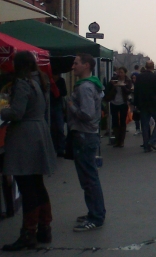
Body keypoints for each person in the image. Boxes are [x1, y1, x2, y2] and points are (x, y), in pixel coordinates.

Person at [0, 51, 57, 250]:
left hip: (25, 137)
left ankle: (28, 233)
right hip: (39, 132)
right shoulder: (40, 81)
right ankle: (44, 228)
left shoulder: (23, 83)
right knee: (37, 183)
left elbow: (17, 112)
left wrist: (2, 111)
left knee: (27, 185)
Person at [68, 53, 106, 232]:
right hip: (89, 135)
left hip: (84, 135)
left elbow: (87, 114)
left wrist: (71, 106)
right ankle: (95, 212)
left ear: (86, 66)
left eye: (76, 63)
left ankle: (96, 217)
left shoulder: (84, 88)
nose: (73, 66)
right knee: (90, 178)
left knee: (89, 179)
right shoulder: (93, 85)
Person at [133, 60, 156, 152]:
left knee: (145, 125)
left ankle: (146, 146)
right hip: (153, 103)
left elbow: (136, 91)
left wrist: (136, 104)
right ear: (153, 67)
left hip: (142, 104)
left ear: (145, 67)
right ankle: (152, 140)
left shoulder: (139, 77)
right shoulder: (155, 77)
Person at [104, 67, 132, 148]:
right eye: (119, 72)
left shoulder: (128, 80)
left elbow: (128, 91)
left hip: (123, 103)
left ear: (125, 73)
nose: (119, 74)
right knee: (115, 121)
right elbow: (107, 89)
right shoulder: (114, 79)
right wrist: (113, 85)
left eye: (121, 72)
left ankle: (122, 140)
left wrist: (122, 86)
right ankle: (117, 140)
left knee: (122, 121)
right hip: (114, 102)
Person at [49, 72, 68, 157]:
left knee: (60, 127)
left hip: (58, 105)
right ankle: (53, 147)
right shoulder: (48, 80)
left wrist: (56, 90)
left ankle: (61, 148)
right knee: (51, 127)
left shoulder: (61, 81)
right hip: (49, 105)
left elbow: (64, 93)